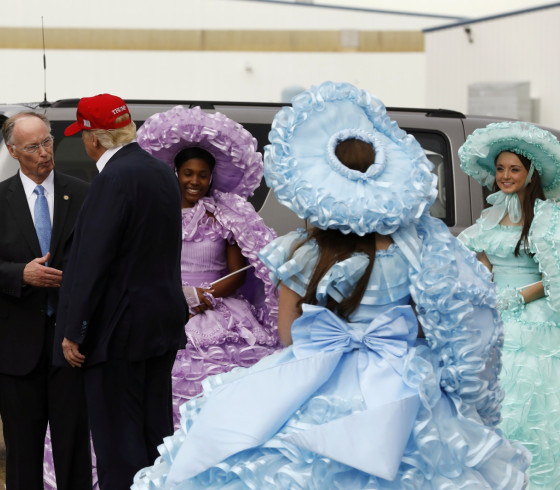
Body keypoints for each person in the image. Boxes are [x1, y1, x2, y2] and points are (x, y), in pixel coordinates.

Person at [132, 82, 531, 489]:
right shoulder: (414, 252)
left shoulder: (301, 253)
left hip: (314, 374)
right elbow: (457, 323)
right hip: (401, 378)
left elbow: (289, 336)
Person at [55, 93, 188, 490]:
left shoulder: (112, 179)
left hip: (117, 332)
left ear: (95, 138)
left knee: (118, 441)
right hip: (158, 324)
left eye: (83, 135)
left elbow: (94, 261)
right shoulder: (160, 172)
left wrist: (75, 329)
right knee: (154, 435)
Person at [0, 112, 92, 490]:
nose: (44, 152)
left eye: (48, 142)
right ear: (13, 151)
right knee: (22, 450)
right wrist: (21, 274)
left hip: (69, 343)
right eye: (33, 146)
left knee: (73, 446)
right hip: (14, 344)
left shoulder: (82, 192)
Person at [136, 106, 281, 426]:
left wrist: (201, 296)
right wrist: (175, 297)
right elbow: (145, 266)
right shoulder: (157, 214)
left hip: (217, 308)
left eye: (203, 175)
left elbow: (237, 275)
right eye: (189, 173)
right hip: (165, 307)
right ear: (176, 172)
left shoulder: (224, 215)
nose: (195, 181)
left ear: (211, 177)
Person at [457, 121, 560, 488]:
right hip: (491, 314)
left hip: (531, 319)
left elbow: (554, 277)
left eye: (514, 169)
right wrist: (484, 286)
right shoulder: (490, 215)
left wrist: (516, 297)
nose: (505, 175)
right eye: (500, 168)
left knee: (525, 401)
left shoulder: (547, 217)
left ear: (530, 173)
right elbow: (482, 258)